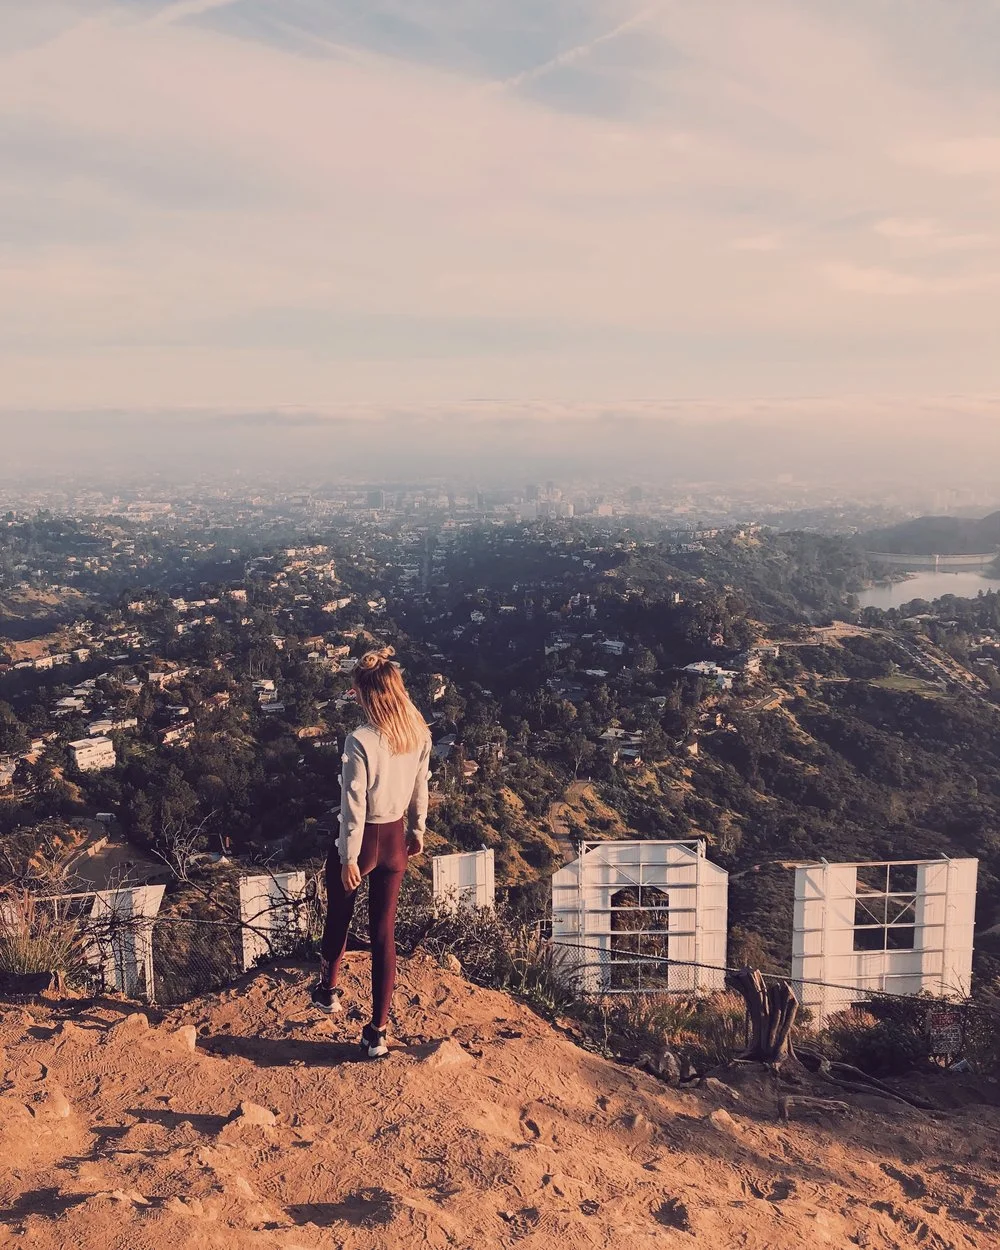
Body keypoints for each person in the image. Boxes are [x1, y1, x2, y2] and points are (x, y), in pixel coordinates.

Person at [312, 647, 431, 1057]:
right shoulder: (417, 731)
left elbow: (353, 804)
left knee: (339, 915)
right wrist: (417, 829)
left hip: (363, 842)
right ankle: (377, 1032)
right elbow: (421, 786)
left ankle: (328, 991)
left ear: (367, 695)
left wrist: (347, 856)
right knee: (384, 933)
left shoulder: (360, 740)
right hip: (396, 839)